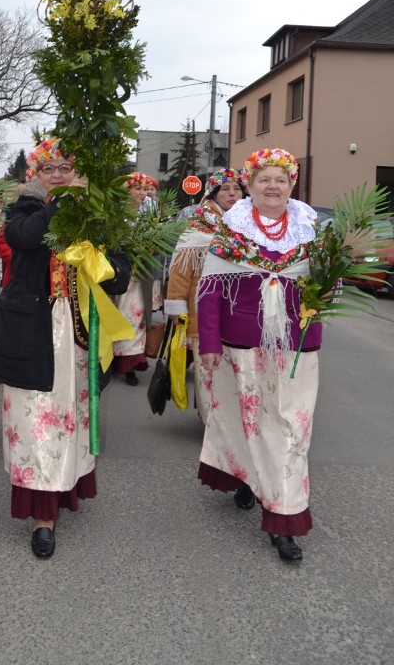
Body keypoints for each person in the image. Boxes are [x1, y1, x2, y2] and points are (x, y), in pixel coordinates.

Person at [0, 138, 130, 559]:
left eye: (67, 167)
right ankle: (41, 515)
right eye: (50, 168)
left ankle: (66, 486)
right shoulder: (24, 209)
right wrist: (64, 203)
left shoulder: (98, 214)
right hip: (31, 330)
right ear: (35, 175)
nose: (59, 174)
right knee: (33, 420)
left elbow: (120, 274)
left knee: (71, 416)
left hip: (79, 332)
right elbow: (25, 239)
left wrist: (100, 261)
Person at [196, 148, 322, 562]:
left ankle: (283, 518)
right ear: (250, 186)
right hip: (242, 343)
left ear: (291, 185)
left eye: (281, 180)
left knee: (288, 429)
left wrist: (327, 289)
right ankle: (250, 478)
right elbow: (211, 290)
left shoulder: (310, 229)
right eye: (265, 179)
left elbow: (327, 286)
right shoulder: (232, 231)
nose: (273, 186)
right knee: (245, 420)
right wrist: (210, 344)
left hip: (297, 344)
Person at [164, 169, 244, 421]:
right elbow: (180, 267)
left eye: (237, 189)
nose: (233, 194)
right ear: (213, 193)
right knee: (207, 367)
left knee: (234, 369)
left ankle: (230, 421)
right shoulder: (200, 223)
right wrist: (177, 306)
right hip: (202, 308)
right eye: (226, 189)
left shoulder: (249, 221)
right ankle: (211, 421)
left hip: (239, 309)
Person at [112, 172, 160, 385]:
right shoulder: (116, 214)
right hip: (121, 274)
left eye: (144, 189)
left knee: (137, 317)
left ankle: (130, 363)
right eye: (137, 189)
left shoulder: (148, 213)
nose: (142, 193)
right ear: (126, 191)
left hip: (141, 273)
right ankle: (115, 357)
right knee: (120, 315)